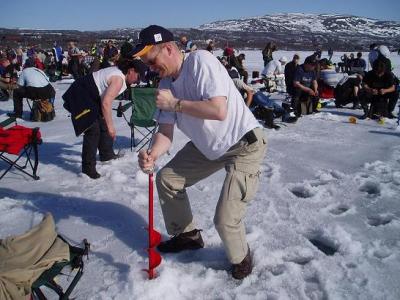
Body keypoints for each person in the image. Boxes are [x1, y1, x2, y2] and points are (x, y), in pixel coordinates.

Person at [132, 25, 266, 279]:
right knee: (167, 179)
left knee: (225, 219)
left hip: (243, 144)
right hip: (209, 147)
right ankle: (188, 236)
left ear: (169, 49)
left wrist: (175, 104)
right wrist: (153, 154)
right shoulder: (165, 83)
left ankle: (241, 260)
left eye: (151, 60)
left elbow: (218, 110)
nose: (149, 68)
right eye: (146, 63)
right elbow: (165, 131)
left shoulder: (200, 61)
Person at [62, 54, 147, 179]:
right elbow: (106, 103)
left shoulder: (120, 74)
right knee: (92, 130)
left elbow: (104, 99)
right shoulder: (119, 79)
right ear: (131, 71)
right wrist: (111, 127)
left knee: (102, 121)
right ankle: (88, 169)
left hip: (91, 95)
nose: (137, 81)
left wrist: (106, 120)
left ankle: (106, 154)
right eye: (138, 77)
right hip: (81, 94)